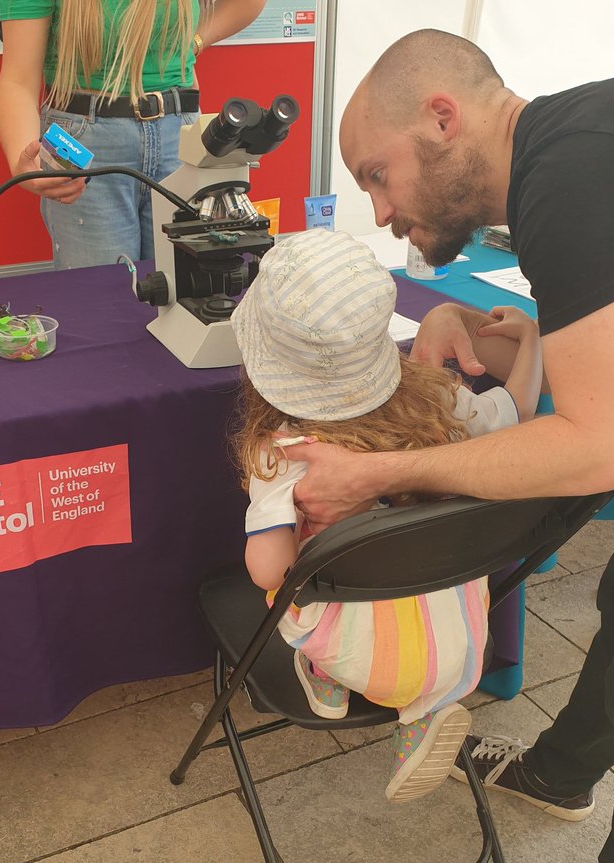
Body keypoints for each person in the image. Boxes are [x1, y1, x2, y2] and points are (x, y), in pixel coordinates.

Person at [290, 28, 614, 863]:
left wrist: (382, 475)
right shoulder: (565, 158)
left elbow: (596, 443)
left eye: (378, 176)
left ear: (442, 119)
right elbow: (609, 335)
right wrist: (479, 323)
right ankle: (561, 772)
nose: (379, 213)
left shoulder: (570, 177)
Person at [230, 228, 543, 802]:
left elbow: (269, 571)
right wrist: (532, 345)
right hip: (462, 640)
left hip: (361, 656)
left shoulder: (282, 453)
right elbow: (518, 413)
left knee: (289, 584)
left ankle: (326, 674)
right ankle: (424, 714)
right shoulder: (440, 402)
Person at [0, 0, 270, 269]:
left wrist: (193, 42)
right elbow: (18, 79)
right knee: (99, 304)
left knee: (186, 297)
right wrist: (25, 161)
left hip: (180, 136)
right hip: (82, 142)